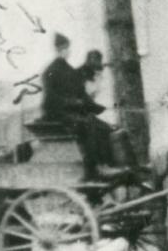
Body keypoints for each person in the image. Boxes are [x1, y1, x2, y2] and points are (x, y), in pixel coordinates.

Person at [40, 33, 115, 180]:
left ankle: (107, 164)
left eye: (67, 48)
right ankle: (92, 169)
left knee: (105, 127)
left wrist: (95, 107)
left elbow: (82, 95)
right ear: (58, 50)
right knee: (88, 124)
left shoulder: (71, 71)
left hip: (72, 114)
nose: (67, 51)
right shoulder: (50, 71)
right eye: (64, 48)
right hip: (56, 115)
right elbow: (51, 100)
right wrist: (73, 103)